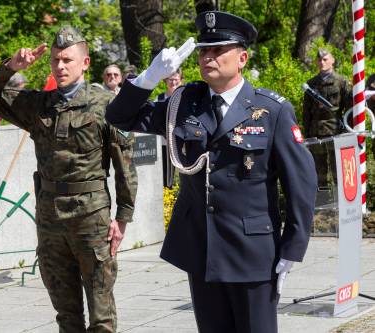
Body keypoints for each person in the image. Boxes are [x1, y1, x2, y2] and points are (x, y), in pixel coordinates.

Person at [106, 11, 317, 333]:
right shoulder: (184, 104)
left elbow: (300, 183)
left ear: (242, 57)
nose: (209, 57)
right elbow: (120, 118)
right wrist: (148, 78)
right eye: (205, 50)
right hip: (201, 247)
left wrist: (293, 247)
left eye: (219, 50)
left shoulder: (271, 110)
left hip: (252, 251)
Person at [0, 26, 137, 333]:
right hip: (50, 218)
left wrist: (123, 218)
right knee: (66, 314)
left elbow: (125, 164)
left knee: (101, 315)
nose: (60, 66)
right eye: (55, 60)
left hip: (91, 217)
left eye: (67, 60)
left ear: (85, 63)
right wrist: (12, 67)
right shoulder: (39, 104)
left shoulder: (106, 105)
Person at [303, 49, 352, 190]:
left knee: (338, 168)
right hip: (316, 133)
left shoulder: (341, 82)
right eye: (319, 60)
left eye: (325, 59)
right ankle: (324, 203)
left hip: (335, 131)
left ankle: (339, 202)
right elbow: (306, 112)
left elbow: (349, 109)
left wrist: (348, 130)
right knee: (319, 171)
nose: (322, 62)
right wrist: (307, 134)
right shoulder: (311, 84)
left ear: (332, 61)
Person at [156, 69, 184, 188]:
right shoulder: (159, 98)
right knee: (165, 172)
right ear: (165, 81)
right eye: (170, 80)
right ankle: (167, 192)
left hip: (182, 144)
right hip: (164, 143)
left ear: (181, 81)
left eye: (176, 80)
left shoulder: (185, 98)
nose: (173, 82)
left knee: (182, 173)